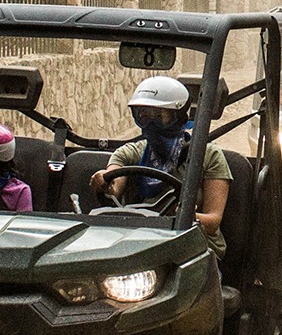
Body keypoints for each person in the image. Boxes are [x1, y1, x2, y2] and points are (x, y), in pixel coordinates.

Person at [89, 76, 232, 259]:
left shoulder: (208, 156)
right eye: (143, 116)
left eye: (159, 116)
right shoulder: (131, 152)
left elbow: (212, 221)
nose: (151, 124)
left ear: (178, 116)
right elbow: (114, 185)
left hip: (193, 247)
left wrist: (183, 214)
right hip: (136, 242)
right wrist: (104, 181)